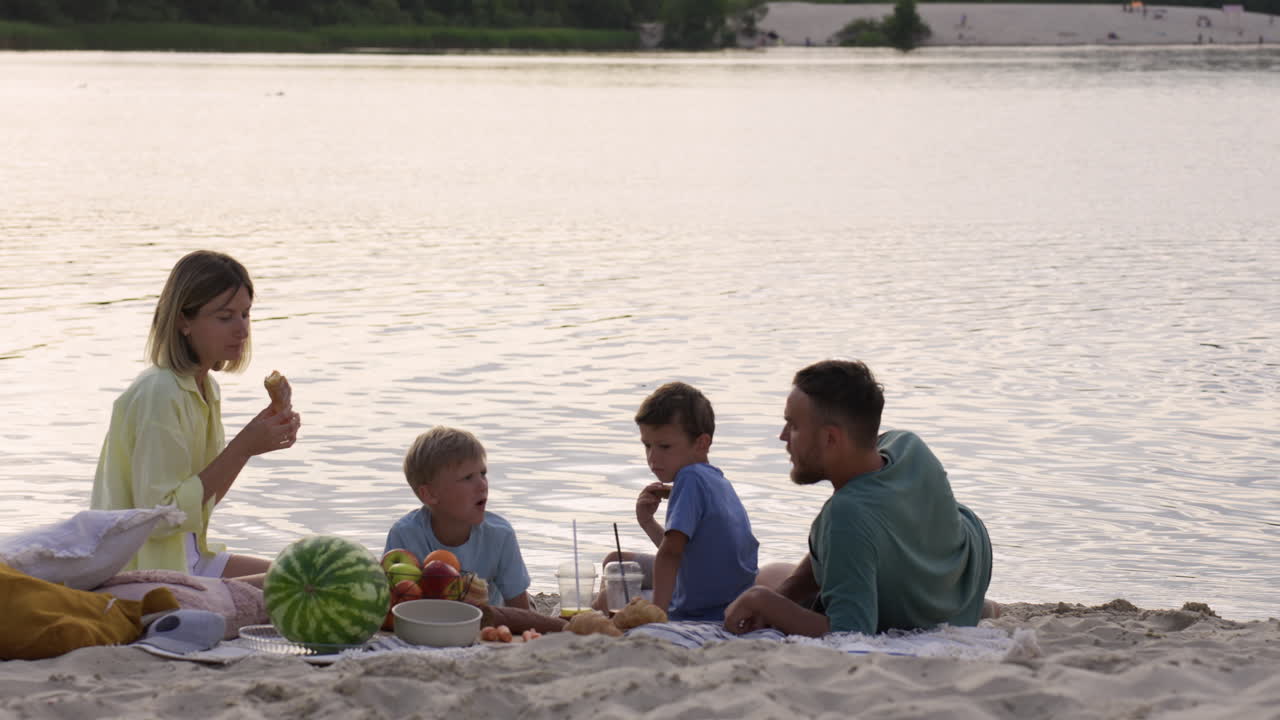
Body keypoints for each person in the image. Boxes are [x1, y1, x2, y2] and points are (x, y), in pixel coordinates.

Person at [724, 359, 993, 637]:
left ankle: (975, 608)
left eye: (792, 426)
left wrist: (762, 600)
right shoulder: (906, 445)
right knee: (786, 581)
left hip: (923, 611)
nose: (782, 437)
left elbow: (849, 631)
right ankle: (983, 608)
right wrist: (790, 590)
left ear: (830, 438)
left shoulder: (846, 516)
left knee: (767, 576)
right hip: (963, 575)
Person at [91, 250, 301, 587]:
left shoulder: (204, 387)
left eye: (245, 315)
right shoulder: (159, 392)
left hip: (191, 558)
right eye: (225, 317)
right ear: (183, 321)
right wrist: (243, 447)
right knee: (308, 586)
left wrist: (256, 442)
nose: (242, 330)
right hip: (146, 575)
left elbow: (202, 501)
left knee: (304, 571)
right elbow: (159, 518)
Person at [596, 382, 760, 622]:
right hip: (723, 600)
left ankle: (580, 620)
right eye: (647, 446)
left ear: (701, 443)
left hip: (699, 612)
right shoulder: (717, 481)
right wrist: (647, 521)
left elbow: (671, 554)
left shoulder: (689, 478)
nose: (653, 458)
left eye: (664, 446)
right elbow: (687, 554)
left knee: (610, 594)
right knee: (616, 562)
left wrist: (659, 617)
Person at [385, 426, 532, 609]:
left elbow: (520, 609)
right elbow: (392, 607)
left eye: (483, 474)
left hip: (486, 623)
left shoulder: (500, 535)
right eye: (468, 478)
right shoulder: (404, 535)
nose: (482, 485)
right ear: (430, 494)